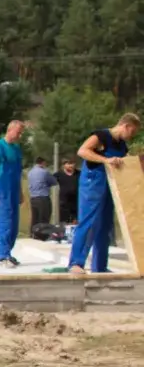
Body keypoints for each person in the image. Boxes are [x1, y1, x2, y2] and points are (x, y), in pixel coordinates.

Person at [68, 113, 141, 275]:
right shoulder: (101, 136)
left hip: (111, 185)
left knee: (105, 225)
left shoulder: (122, 144)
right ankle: (76, 263)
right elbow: (83, 151)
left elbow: (124, 161)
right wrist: (106, 160)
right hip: (93, 182)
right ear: (126, 126)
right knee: (88, 222)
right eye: (132, 132)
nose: (132, 136)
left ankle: (99, 266)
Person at [0, 120, 26, 268]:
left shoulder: (16, 149)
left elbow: (18, 173)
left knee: (14, 225)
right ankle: (2, 256)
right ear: (10, 130)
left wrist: (21, 192)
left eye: (22, 132)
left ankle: (8, 253)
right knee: (4, 223)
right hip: (1, 189)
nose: (20, 135)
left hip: (13, 189)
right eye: (18, 132)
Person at [27, 156, 58, 232]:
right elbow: (54, 182)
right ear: (43, 163)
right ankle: (43, 234)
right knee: (44, 217)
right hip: (43, 197)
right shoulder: (44, 172)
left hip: (33, 198)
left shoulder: (30, 172)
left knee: (35, 218)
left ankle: (33, 234)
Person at [55, 158, 80, 225]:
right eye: (69, 164)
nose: (71, 165)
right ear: (64, 165)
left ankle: (75, 234)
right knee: (64, 221)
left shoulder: (79, 173)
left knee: (76, 220)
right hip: (64, 202)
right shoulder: (58, 174)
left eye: (72, 163)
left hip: (76, 201)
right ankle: (64, 234)